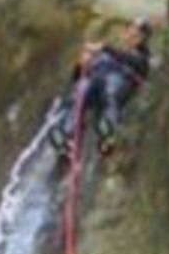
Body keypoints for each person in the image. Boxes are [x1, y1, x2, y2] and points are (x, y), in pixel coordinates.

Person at [50, 18, 153, 157]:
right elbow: (77, 77)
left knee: (110, 88)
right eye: (131, 31)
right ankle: (65, 132)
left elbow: (134, 61)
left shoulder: (141, 59)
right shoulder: (107, 55)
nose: (132, 36)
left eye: (137, 35)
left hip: (114, 89)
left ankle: (107, 129)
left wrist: (104, 47)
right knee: (82, 90)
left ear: (143, 39)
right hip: (95, 86)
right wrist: (81, 65)